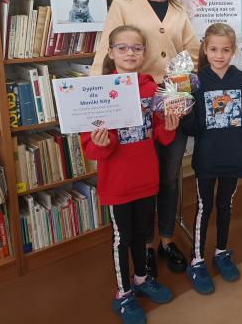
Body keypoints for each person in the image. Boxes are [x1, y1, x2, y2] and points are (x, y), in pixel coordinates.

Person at [90, 0, 199, 276]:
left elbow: (193, 56)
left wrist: (178, 89)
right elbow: (105, 55)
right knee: (139, 180)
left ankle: (166, 239)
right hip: (132, 106)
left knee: (169, 177)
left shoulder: (179, 11)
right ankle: (145, 245)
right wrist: (95, 105)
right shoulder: (123, 5)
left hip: (169, 106)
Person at [81, 25, 179, 324]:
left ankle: (141, 279)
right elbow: (91, 148)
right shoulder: (98, 92)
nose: (129, 53)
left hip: (146, 178)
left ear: (144, 53)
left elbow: (161, 135)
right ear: (111, 52)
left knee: (142, 234)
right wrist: (103, 142)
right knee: (121, 239)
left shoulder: (151, 89)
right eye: (122, 47)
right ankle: (123, 294)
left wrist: (170, 128)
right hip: (118, 182)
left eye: (136, 48)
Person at [180, 23, 242, 294]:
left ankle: (221, 251)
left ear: (233, 51)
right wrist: (183, 111)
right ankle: (197, 260)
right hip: (207, 159)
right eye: (213, 49)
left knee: (225, 206)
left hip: (235, 156)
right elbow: (192, 128)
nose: (219, 55)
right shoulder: (195, 83)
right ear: (205, 50)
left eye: (225, 50)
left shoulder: (241, 81)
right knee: (204, 207)